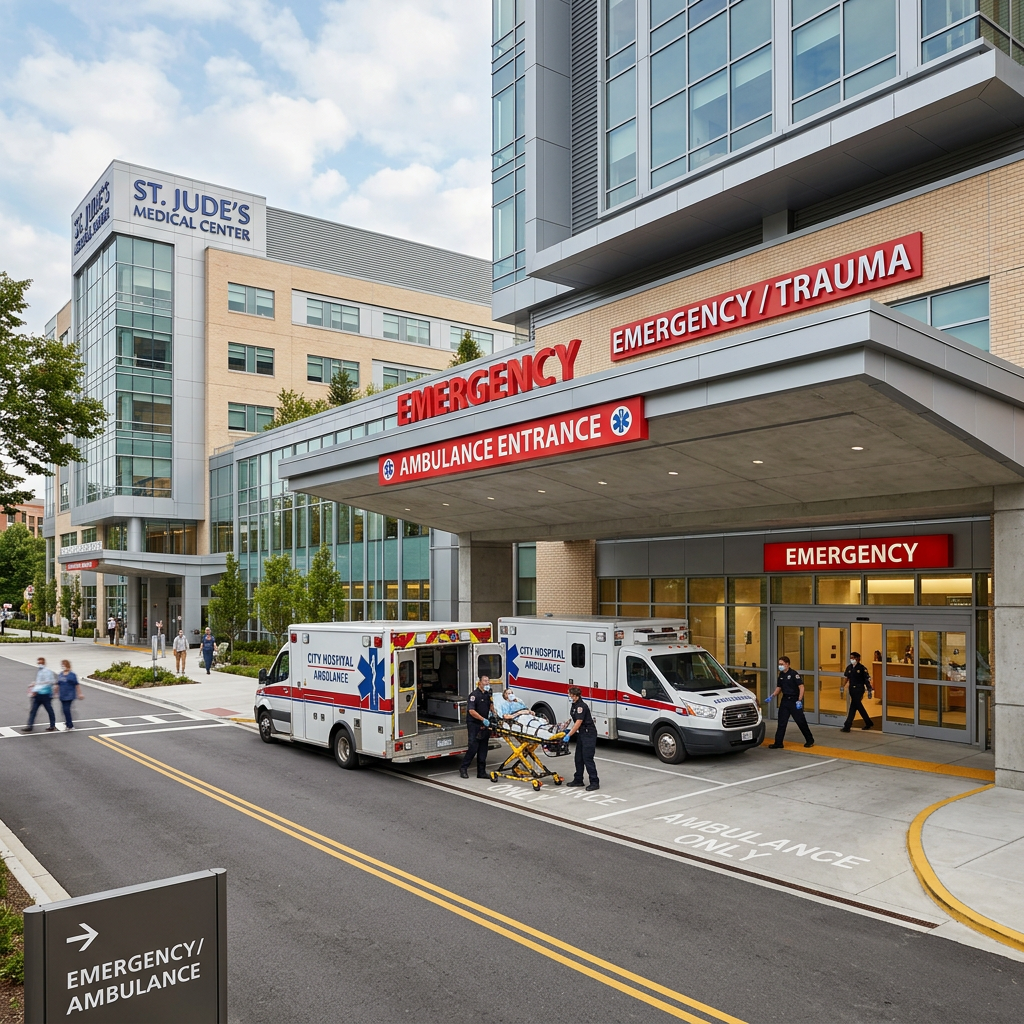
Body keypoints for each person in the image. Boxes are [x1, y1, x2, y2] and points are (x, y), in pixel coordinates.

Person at [766, 655, 814, 749]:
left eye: (782, 664)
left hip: (794, 700)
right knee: (781, 722)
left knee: (801, 721)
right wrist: (772, 696)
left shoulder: (793, 674)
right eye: (779, 664)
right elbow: (779, 687)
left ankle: (810, 740)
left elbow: (801, 687)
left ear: (787, 664)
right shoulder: (781, 675)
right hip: (785, 700)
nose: (780, 666)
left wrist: (799, 700)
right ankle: (778, 742)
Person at [564, 685, 599, 791]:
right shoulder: (574, 705)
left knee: (587, 758)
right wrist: (565, 726)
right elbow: (573, 719)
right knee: (578, 758)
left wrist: (569, 735)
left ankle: (594, 782)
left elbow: (579, 722)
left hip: (588, 734)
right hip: (582, 734)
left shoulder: (581, 707)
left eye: (570, 694)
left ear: (575, 696)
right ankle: (578, 779)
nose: (569, 696)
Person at [459, 674, 493, 779]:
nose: (487, 683)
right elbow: (471, 711)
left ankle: (481, 772)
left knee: (483, 749)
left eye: (488, 681)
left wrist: (492, 711)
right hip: (474, 724)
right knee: (473, 747)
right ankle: (463, 768)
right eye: (485, 681)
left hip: (485, 725)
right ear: (480, 683)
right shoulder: (474, 695)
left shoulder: (488, 695)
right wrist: (483, 719)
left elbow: (491, 708)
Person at [840, 652, 874, 732]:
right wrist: (842, 686)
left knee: (854, 706)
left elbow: (866, 680)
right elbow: (847, 678)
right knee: (857, 706)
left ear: (857, 659)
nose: (852, 659)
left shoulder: (862, 668)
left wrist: (869, 689)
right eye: (851, 658)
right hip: (852, 689)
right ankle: (868, 722)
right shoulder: (849, 667)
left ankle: (847, 725)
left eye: (853, 658)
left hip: (859, 689)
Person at [22, 658, 57, 733]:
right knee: (33, 711)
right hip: (38, 695)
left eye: (40, 663)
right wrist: (34, 685)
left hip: (45, 695)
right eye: (38, 663)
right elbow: (40, 682)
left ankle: (52, 725)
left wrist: (36, 688)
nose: (39, 664)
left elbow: (49, 682)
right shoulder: (40, 671)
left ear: (44, 663)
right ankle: (30, 726)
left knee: (49, 710)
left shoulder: (47, 671)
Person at [57, 660, 83, 731]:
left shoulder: (72, 675)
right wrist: (55, 693)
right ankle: (67, 722)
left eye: (64, 665)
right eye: (62, 665)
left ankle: (70, 725)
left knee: (66, 709)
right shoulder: (60, 674)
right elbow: (58, 684)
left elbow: (77, 685)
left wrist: (79, 693)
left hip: (69, 695)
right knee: (64, 710)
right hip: (62, 695)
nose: (63, 666)